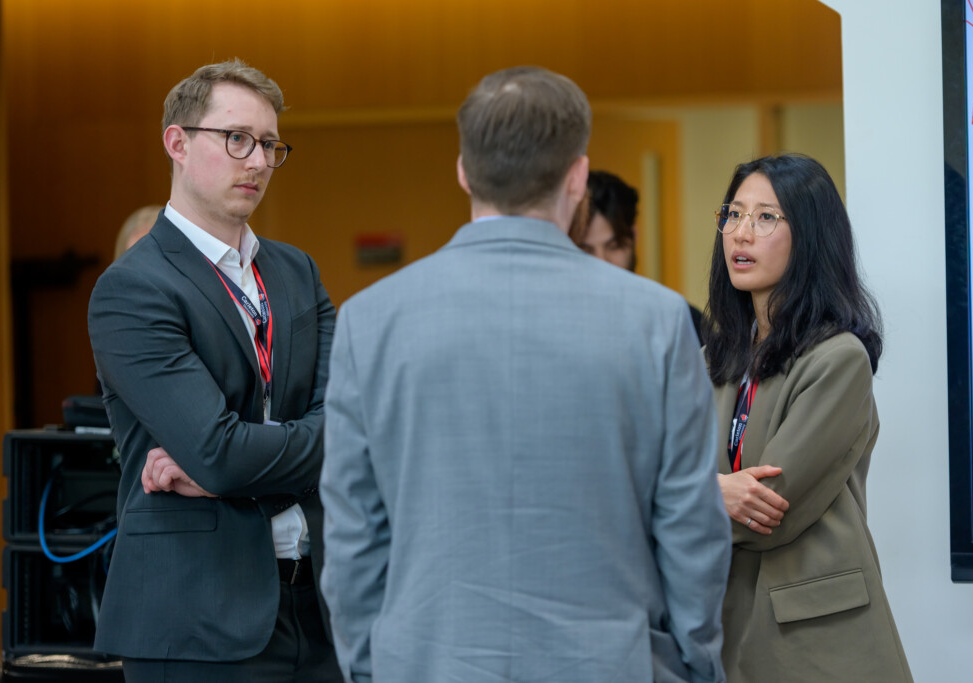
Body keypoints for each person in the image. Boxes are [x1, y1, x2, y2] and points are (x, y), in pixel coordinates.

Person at [319, 66, 731, 683]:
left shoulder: (369, 320)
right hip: (609, 664)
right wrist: (697, 665)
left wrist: (367, 668)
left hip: (426, 664)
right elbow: (690, 527)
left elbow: (353, 533)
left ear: (463, 170)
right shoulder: (657, 321)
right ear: (578, 176)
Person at [87, 59, 339, 682]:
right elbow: (219, 451)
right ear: (177, 142)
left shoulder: (297, 271)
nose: (257, 161)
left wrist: (229, 471)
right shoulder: (134, 288)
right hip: (197, 620)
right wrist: (251, 465)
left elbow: (357, 427)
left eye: (270, 145)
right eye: (237, 139)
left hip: (320, 606)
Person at [704, 154, 913, 682]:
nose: (741, 234)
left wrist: (689, 497)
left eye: (766, 217)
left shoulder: (838, 358)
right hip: (728, 623)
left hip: (817, 641)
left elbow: (769, 512)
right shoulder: (721, 353)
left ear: (812, 237)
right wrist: (714, 493)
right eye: (734, 213)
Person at [577, 170, 704, 341]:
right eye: (586, 250)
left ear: (634, 236)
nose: (602, 262)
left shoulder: (679, 320)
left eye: (614, 247)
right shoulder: (556, 321)